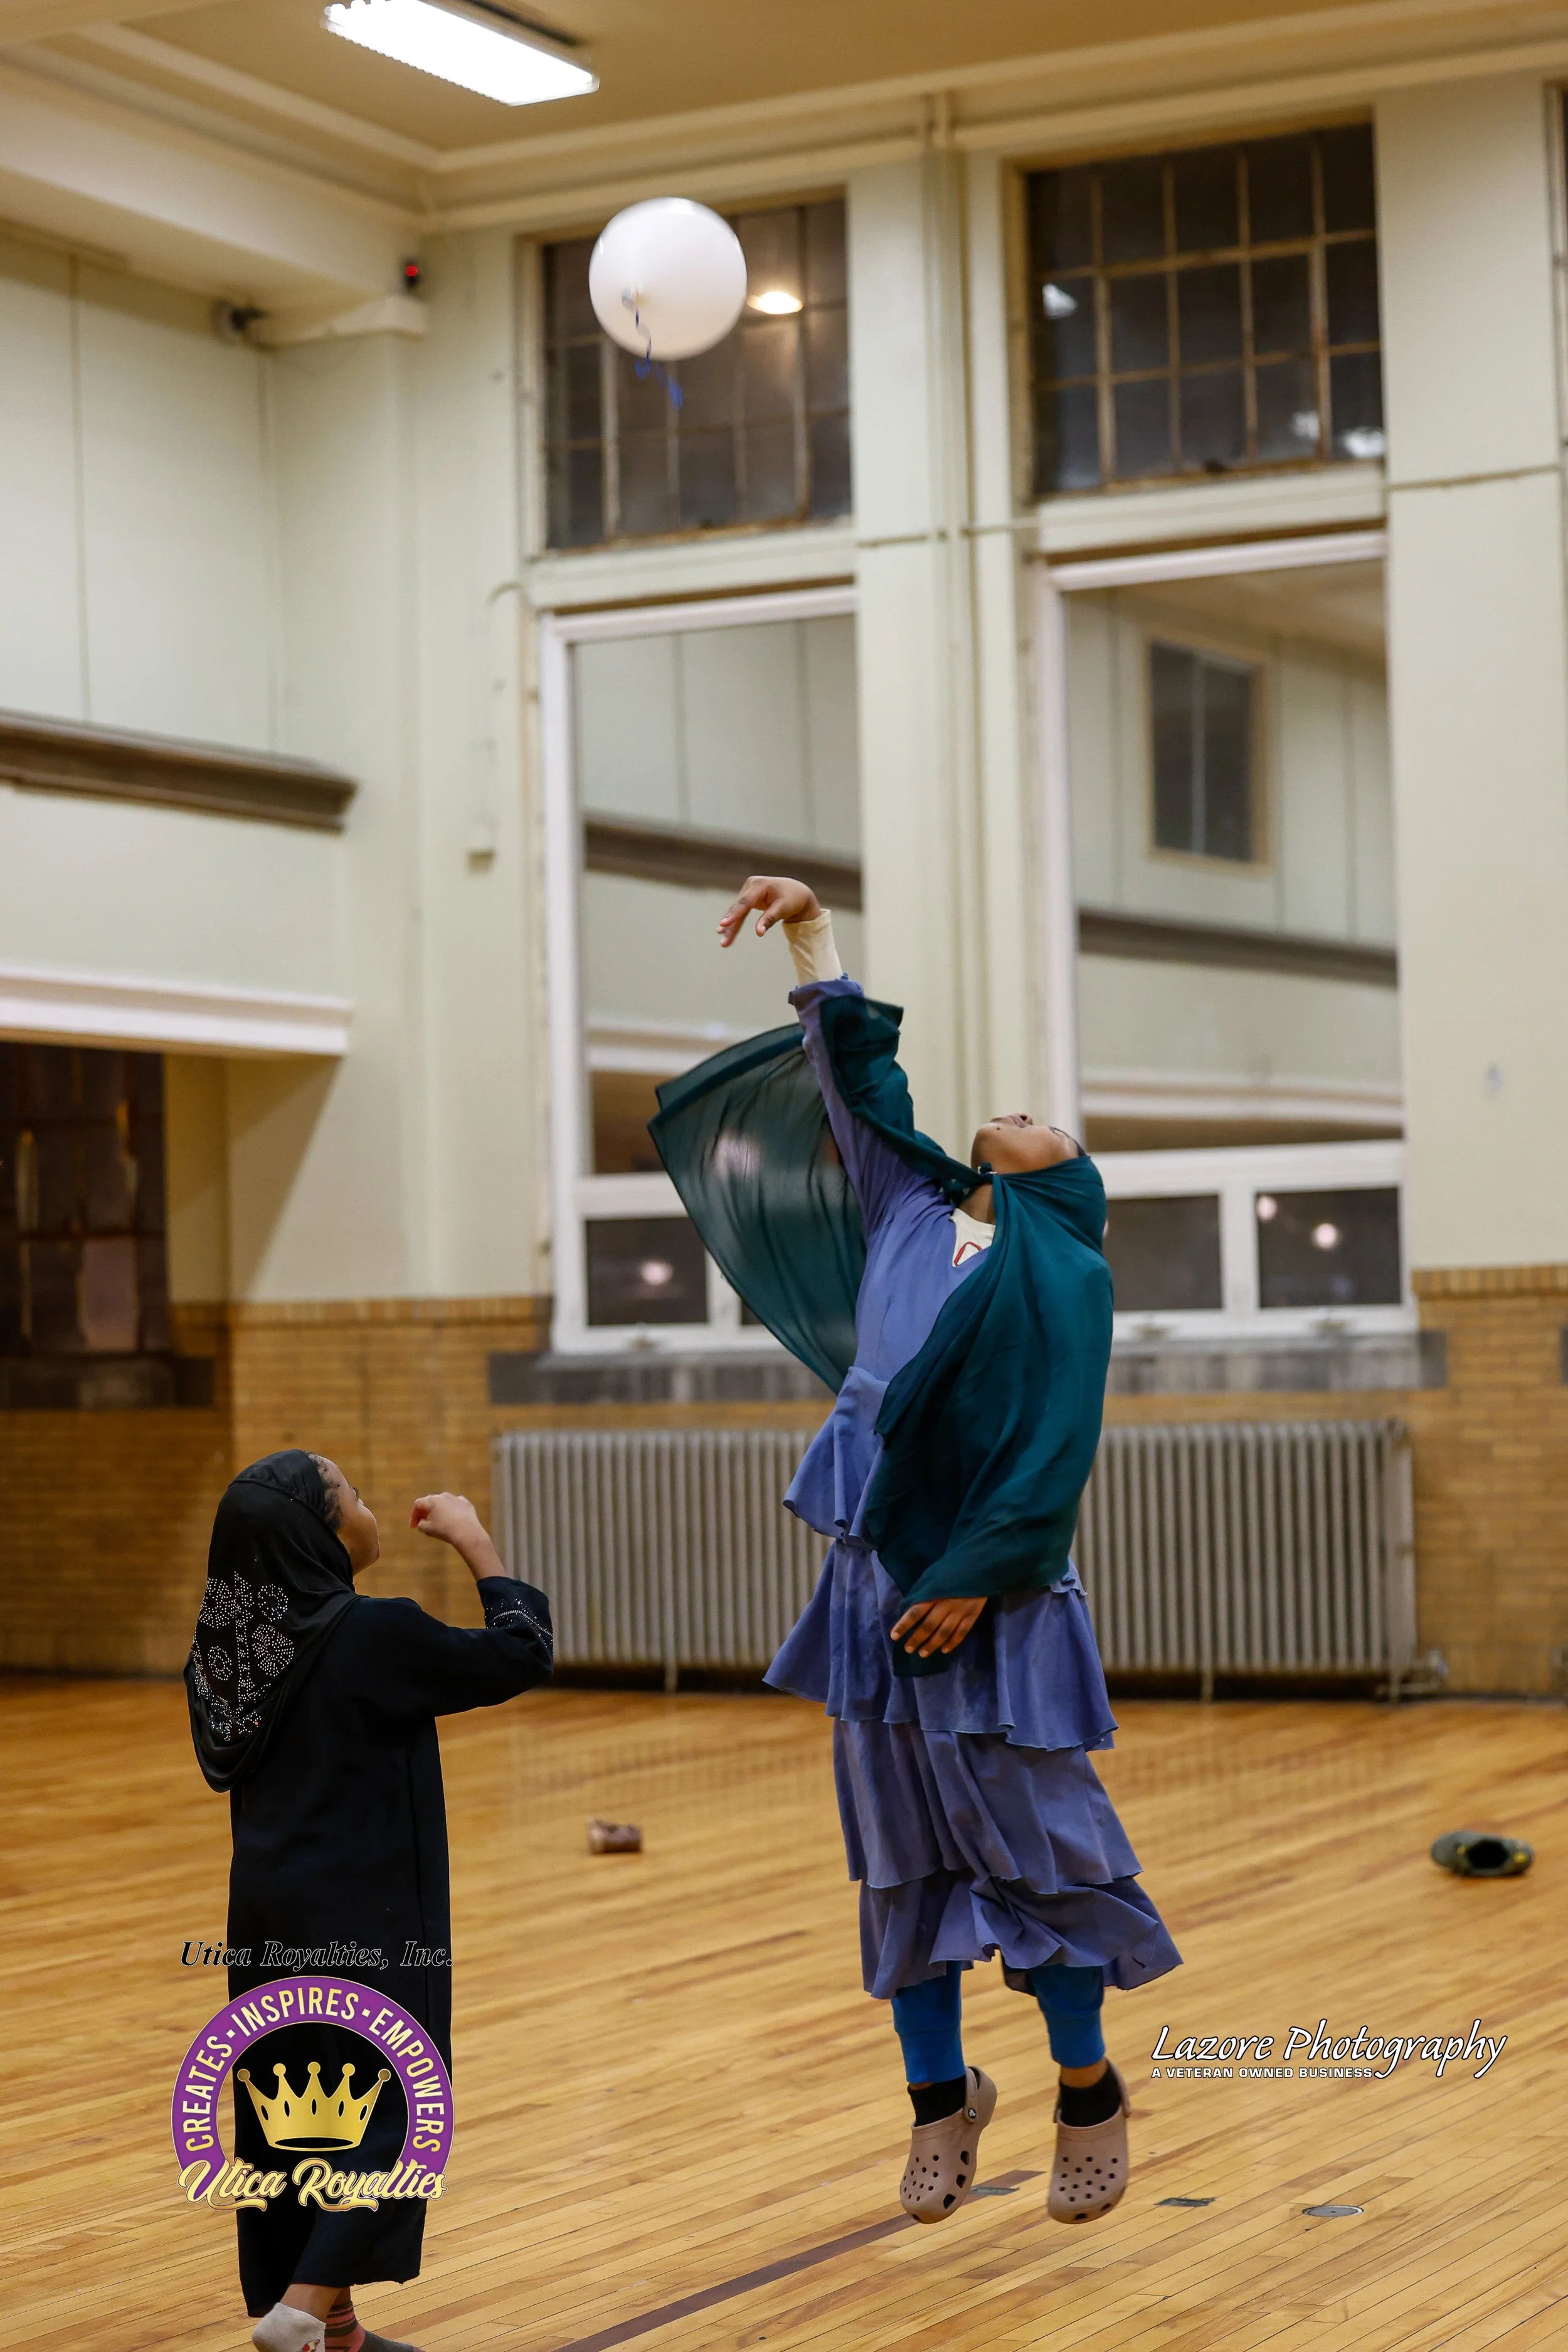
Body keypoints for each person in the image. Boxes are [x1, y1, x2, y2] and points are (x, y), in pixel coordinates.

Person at [704, 876, 1180, 2227]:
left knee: (1042, 1851)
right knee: (899, 1852)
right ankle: (935, 2101)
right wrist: (810, 936)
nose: (1022, 1107)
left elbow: (1049, 1451)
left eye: (1052, 1121)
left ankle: (1084, 2088)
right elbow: (854, 1082)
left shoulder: (1065, 1277)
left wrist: (974, 1579)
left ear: (1068, 1183)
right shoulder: (913, 1206)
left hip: (998, 1591)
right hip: (871, 1578)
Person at [186, 1451, 553, 2352]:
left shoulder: (229, 1651)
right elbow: (521, 1652)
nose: (367, 1504)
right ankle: (304, 2310)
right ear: (321, 1531)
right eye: (350, 1492)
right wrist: (474, 1539)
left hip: (266, 1918)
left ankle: (335, 2325)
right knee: (399, 2108)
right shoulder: (369, 1633)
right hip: (371, 1916)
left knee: (291, 2109)